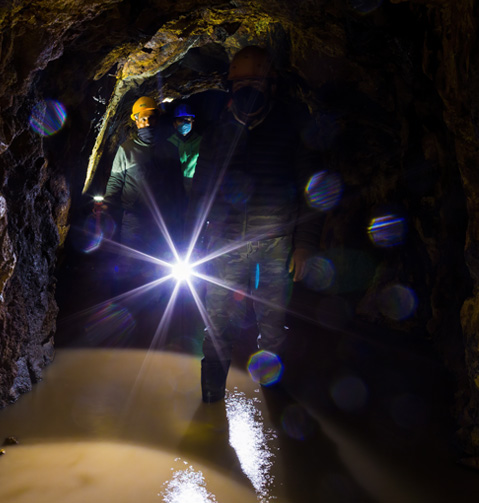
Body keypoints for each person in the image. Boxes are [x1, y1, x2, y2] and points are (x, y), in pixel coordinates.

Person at [189, 46, 323, 402]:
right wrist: (195, 242)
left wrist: (305, 243)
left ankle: (271, 389)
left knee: (272, 324)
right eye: (241, 83)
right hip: (224, 243)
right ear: (229, 86)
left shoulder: (291, 129)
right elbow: (201, 192)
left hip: (274, 243)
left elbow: (313, 190)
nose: (248, 90)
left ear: (272, 86)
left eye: (257, 83)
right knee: (217, 320)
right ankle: (211, 392)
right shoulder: (218, 133)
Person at [97, 96, 186, 296]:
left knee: (159, 262)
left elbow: (177, 184)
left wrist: (182, 211)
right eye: (142, 119)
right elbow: (116, 180)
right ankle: (123, 298)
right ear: (136, 121)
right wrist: (107, 205)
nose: (146, 123)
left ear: (157, 119)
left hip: (161, 219)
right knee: (129, 261)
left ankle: (155, 301)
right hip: (134, 218)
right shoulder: (126, 149)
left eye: (150, 118)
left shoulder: (169, 148)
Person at [167, 104, 202, 197]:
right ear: (174, 124)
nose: (184, 123)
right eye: (180, 120)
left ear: (192, 122)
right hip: (175, 184)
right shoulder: (169, 143)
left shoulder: (201, 142)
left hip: (196, 184)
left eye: (187, 120)